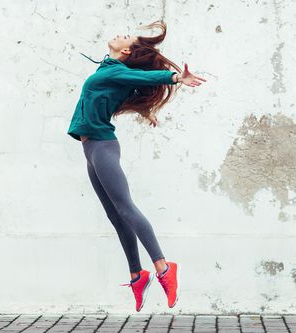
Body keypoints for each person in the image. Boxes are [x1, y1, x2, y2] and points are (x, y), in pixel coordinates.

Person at [66, 20, 206, 312]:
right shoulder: (108, 70)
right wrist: (146, 109)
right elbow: (124, 91)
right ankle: (136, 275)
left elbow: (146, 80)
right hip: (91, 148)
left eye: (125, 36)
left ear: (126, 49)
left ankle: (164, 268)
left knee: (126, 208)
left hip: (102, 146)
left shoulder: (118, 71)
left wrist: (175, 78)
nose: (119, 33)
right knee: (116, 215)